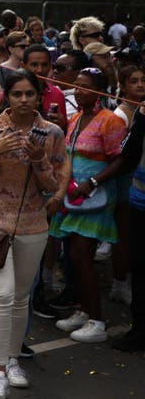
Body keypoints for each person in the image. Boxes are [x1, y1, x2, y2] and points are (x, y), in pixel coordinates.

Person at [0, 70, 66, 399]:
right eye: (17, 94)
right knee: (3, 294)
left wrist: (39, 160)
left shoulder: (51, 132)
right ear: (6, 98)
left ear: (39, 96)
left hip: (33, 224)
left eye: (30, 94)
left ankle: (12, 360)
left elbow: (53, 186)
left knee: (21, 296)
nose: (24, 100)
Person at [49, 68, 127, 344]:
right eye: (77, 86)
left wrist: (93, 181)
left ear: (100, 91)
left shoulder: (110, 121)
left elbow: (119, 159)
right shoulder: (77, 118)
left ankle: (97, 321)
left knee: (82, 254)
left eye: (85, 87)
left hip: (97, 198)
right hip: (73, 196)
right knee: (72, 255)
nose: (78, 90)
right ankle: (83, 310)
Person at [108, 98, 145, 351]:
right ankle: (139, 332)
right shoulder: (141, 113)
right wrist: (141, 117)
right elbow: (129, 154)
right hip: (140, 202)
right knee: (140, 268)